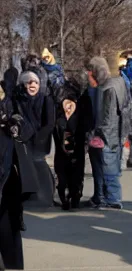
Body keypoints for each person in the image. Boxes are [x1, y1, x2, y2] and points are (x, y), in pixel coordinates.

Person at [1, 90, 37, 271]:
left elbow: (28, 129)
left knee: (2, 252)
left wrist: (15, 124)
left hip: (6, 190)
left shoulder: (11, 109)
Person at [85, 56, 132, 209]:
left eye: (90, 71)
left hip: (108, 134)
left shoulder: (107, 88)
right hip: (117, 131)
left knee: (108, 165)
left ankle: (112, 199)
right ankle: (105, 197)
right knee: (109, 164)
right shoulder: (119, 83)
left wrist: (97, 134)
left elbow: (107, 116)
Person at [12, 71, 55, 208]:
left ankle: (47, 196)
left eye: (35, 82)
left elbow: (50, 122)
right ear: (24, 85)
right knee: (28, 168)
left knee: (40, 165)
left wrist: (40, 137)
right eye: (29, 82)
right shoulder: (19, 100)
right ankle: (32, 196)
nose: (32, 85)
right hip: (25, 140)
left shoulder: (45, 99)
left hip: (40, 140)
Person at [53, 82, 90, 210]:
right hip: (61, 151)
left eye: (71, 100)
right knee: (62, 178)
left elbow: (86, 130)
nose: (68, 105)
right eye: (65, 101)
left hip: (77, 150)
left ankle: (75, 198)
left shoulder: (81, 114)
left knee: (76, 177)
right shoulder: (57, 114)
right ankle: (64, 199)